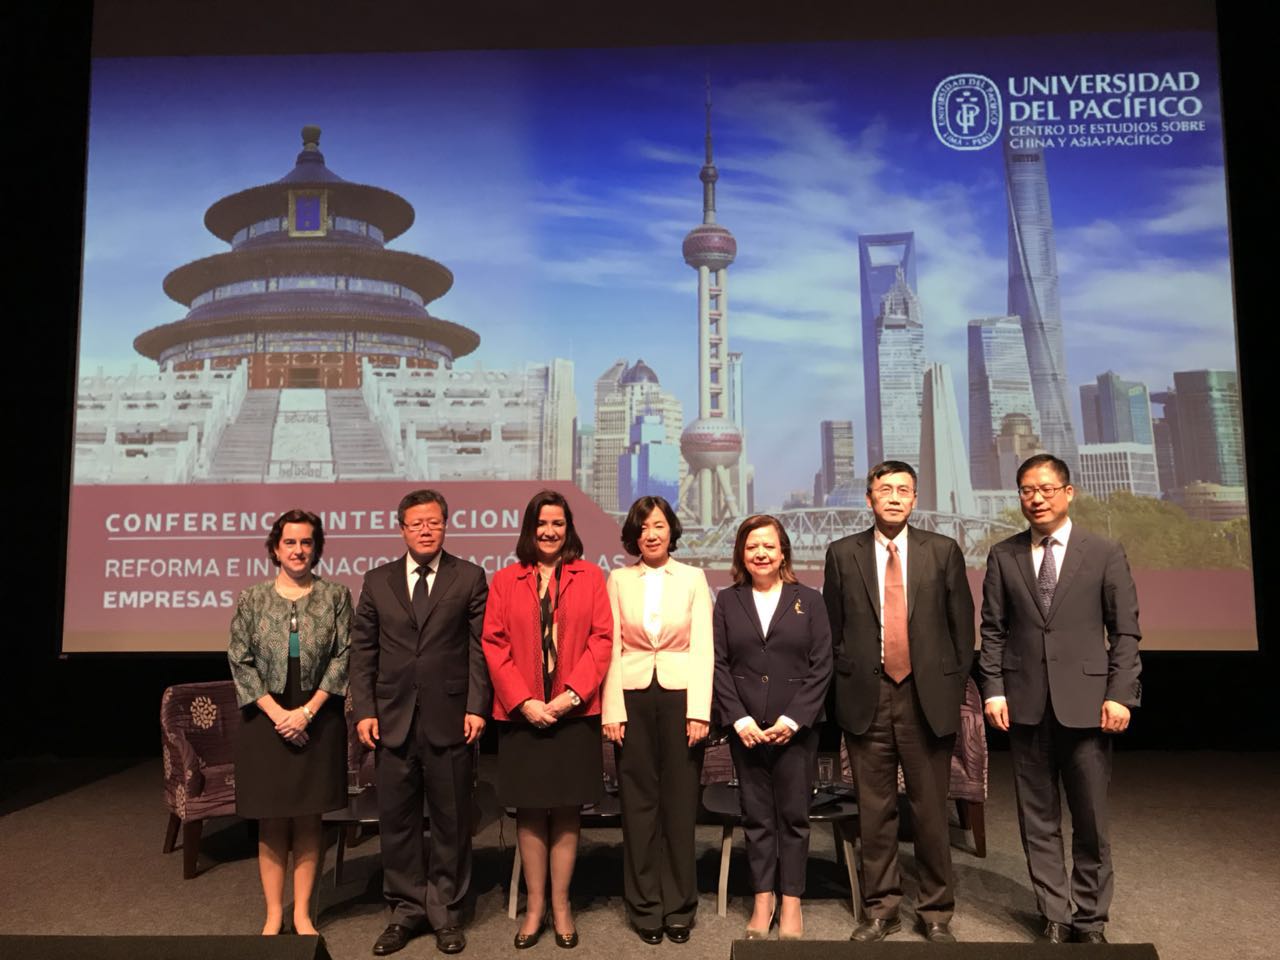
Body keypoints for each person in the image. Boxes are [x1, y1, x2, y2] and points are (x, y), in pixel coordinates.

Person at [978, 454, 1141, 945]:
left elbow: (1125, 632)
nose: (1037, 499)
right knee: (1037, 818)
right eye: (1027, 490)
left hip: (1088, 705)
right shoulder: (1003, 555)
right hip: (1024, 703)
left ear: (1068, 493)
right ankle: (1053, 913)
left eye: (1046, 489)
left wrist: (1121, 695)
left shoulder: (1104, 552)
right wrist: (993, 689)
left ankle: (1090, 920)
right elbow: (992, 630)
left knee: (1091, 820)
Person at [822, 461, 974, 944]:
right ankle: (880, 909)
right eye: (884, 489)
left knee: (930, 812)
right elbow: (833, 629)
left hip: (925, 698)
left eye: (902, 490)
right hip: (866, 697)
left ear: (914, 499)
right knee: (874, 811)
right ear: (869, 498)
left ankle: (936, 911)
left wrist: (949, 688)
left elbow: (962, 629)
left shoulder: (943, 551)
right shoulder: (841, 553)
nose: (893, 497)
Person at [349, 490, 491, 956]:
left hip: (451, 718)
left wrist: (477, 705)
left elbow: (479, 649)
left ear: (446, 525)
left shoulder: (468, 577)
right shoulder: (377, 581)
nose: (426, 530)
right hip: (391, 720)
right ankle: (406, 909)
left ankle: (445, 910)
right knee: (398, 822)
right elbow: (363, 652)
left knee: (452, 819)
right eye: (416, 523)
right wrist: (365, 710)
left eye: (433, 522)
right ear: (402, 530)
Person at [482, 490, 613, 951]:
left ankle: (561, 905)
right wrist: (524, 701)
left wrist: (569, 697)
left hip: (574, 714)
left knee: (567, 810)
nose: (550, 531)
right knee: (531, 811)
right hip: (522, 716)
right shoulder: (505, 580)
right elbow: (494, 644)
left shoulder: (590, 576)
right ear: (529, 528)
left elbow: (601, 640)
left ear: (568, 528)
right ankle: (535, 906)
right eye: (542, 523)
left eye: (558, 523)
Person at [228, 509, 351, 936]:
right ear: (275, 549)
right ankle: (273, 914)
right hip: (265, 718)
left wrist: (307, 712)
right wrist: (279, 713)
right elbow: (239, 660)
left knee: (309, 817)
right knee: (271, 817)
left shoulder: (336, 595)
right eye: (290, 543)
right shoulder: (252, 598)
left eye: (306, 542)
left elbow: (344, 656)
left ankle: (301, 914)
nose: (298, 550)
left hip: (318, 716)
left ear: (316, 549)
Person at [713, 515, 831, 941]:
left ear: (783, 553)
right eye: (751, 547)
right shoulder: (727, 601)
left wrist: (793, 719)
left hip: (796, 729)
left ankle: (792, 899)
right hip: (746, 729)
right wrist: (739, 719)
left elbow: (822, 665)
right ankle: (763, 899)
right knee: (757, 817)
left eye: (768, 546)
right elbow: (718, 663)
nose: (760, 553)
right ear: (741, 555)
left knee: (794, 817)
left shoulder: (810, 600)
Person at [602, 495, 713, 945]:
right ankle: (645, 906)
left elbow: (703, 647)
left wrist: (699, 710)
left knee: (680, 805)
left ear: (672, 531)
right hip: (631, 697)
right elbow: (610, 647)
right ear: (634, 534)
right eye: (644, 527)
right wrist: (612, 708)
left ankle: (679, 906)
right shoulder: (617, 579)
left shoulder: (692, 578)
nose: (651, 534)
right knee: (638, 805)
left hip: (681, 696)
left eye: (659, 525)